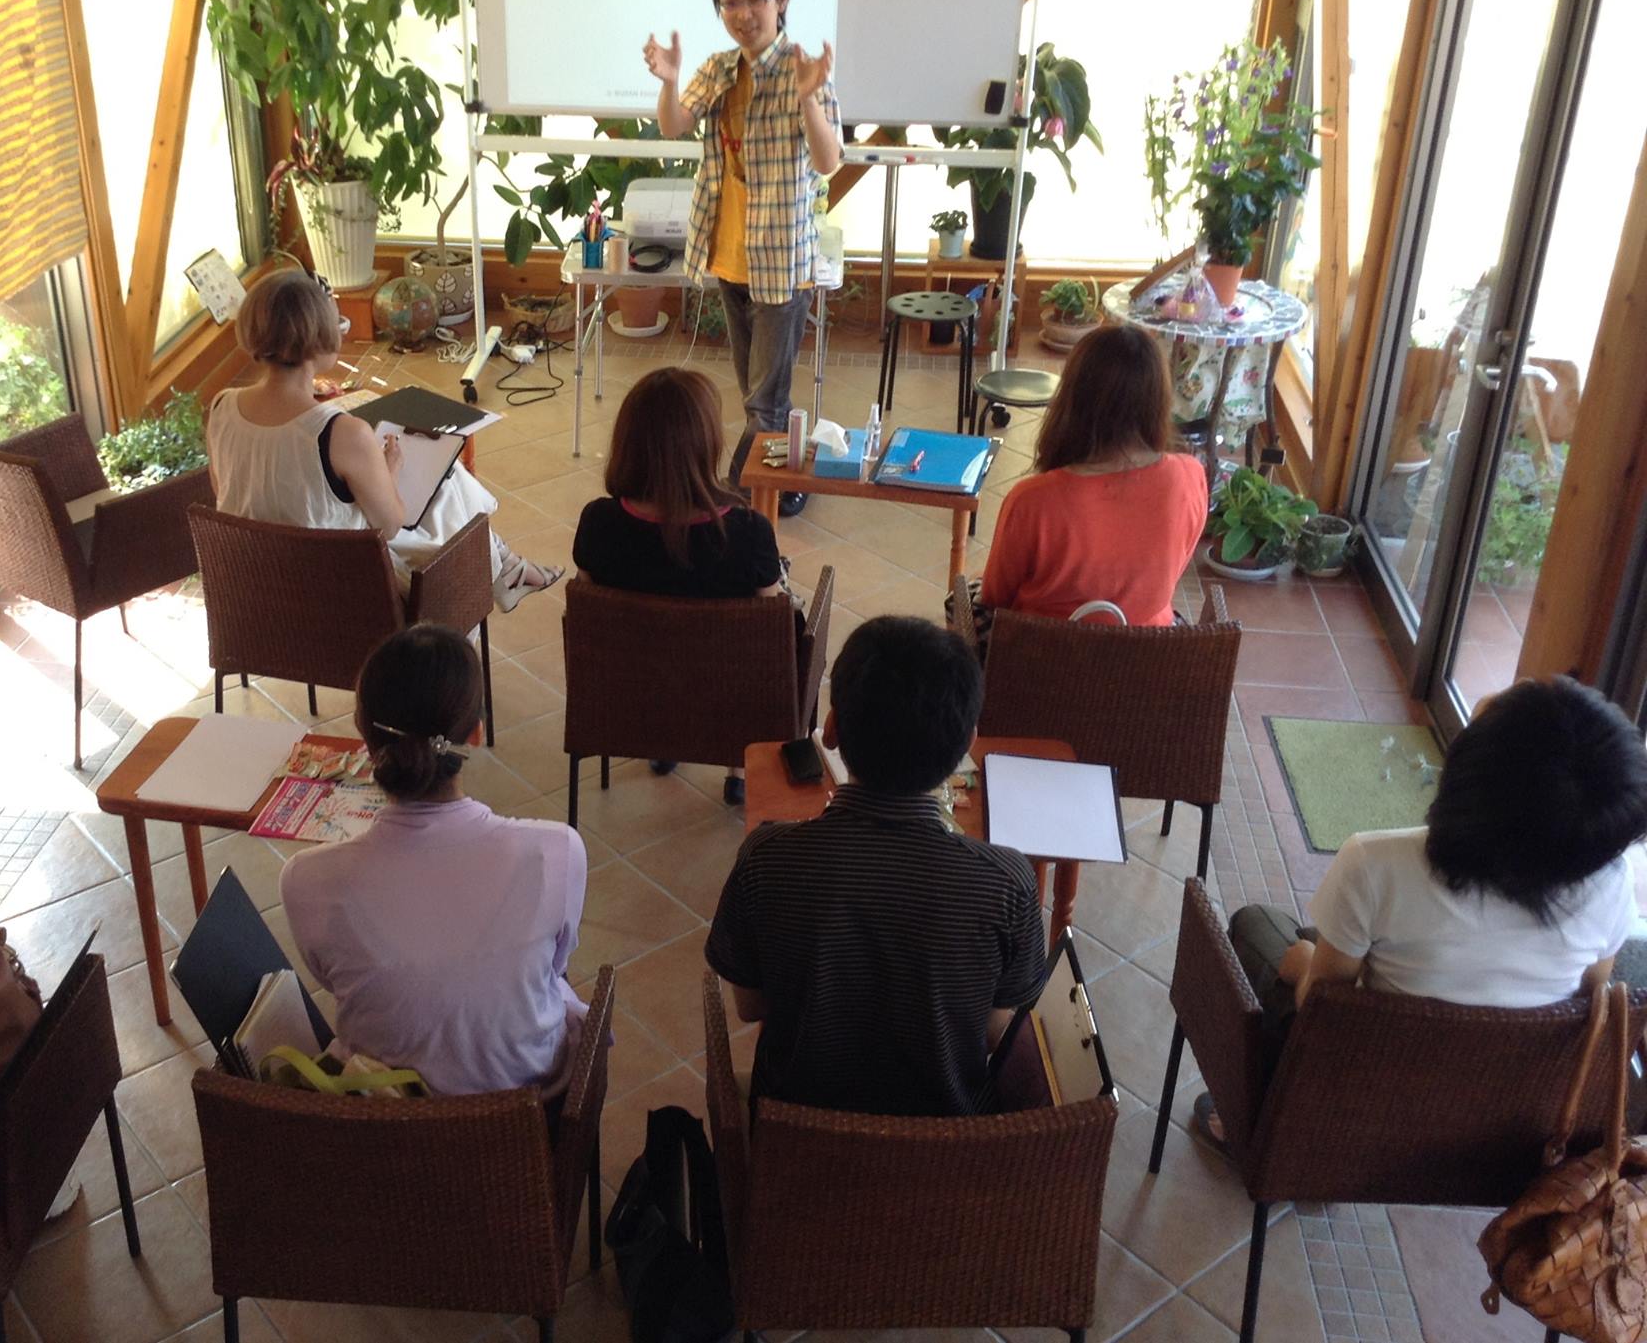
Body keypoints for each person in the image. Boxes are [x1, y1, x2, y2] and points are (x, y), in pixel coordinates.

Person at [1196, 675, 1647, 1149]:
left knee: (1258, 927)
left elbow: (1322, 1010)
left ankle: (1257, 1127)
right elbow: (1587, 997)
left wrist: (1304, 965)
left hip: (1366, 1089)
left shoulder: (1376, 863)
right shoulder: (1612, 886)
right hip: (1494, 1123)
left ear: (1469, 782)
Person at [705, 615, 1045, 1116]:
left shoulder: (766, 858)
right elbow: (997, 1032)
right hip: (948, 1146)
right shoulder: (1007, 882)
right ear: (967, 743)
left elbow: (750, 1006)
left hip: (794, 1136)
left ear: (831, 730)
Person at [278, 625, 589, 1096]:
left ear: (365, 738)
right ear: (477, 734)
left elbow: (331, 980)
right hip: (526, 1113)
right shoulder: (556, 851)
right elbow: (556, 963)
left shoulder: (306, 879)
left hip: (385, 1120)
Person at [208, 269, 561, 611]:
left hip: (257, 594)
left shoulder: (221, 407)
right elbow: (388, 525)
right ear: (319, 336)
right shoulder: (339, 433)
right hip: (340, 599)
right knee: (447, 485)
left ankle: (507, 569)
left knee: (443, 491)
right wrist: (388, 468)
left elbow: (226, 489)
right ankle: (503, 571)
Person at [645, 0, 843, 511]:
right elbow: (675, 125)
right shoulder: (718, 68)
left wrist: (808, 99)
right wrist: (669, 81)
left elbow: (829, 161)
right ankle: (783, 486)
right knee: (757, 391)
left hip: (781, 260)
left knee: (764, 400)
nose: (743, 14)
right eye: (730, 3)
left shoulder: (803, 72)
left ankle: (740, 499)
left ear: (781, 1)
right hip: (730, 255)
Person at [573, 367, 792, 805]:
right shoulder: (748, 533)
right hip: (724, 694)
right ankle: (737, 767)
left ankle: (666, 739)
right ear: (707, 442)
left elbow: (590, 613)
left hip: (635, 692)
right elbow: (766, 637)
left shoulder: (598, 523)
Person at [978, 322, 1208, 630]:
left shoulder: (1033, 499)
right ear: (1158, 398)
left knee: (962, 598)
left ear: (1073, 398)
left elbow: (995, 596)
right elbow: (1173, 570)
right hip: (1148, 646)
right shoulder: (1190, 475)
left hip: (1044, 650)